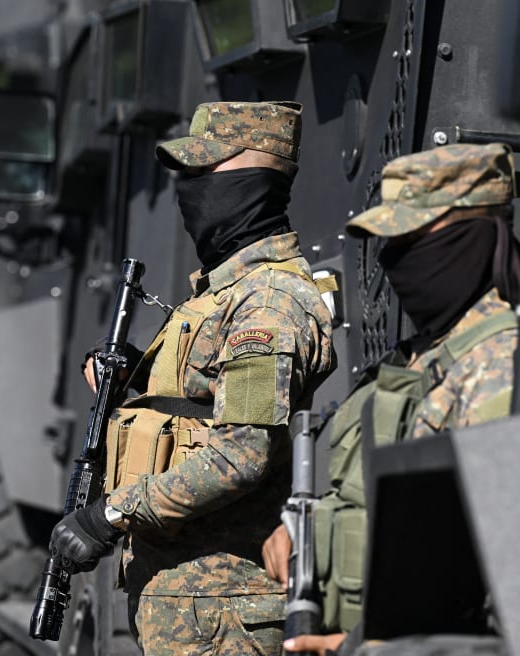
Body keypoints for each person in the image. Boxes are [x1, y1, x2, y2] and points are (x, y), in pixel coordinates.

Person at [50, 101, 337, 655]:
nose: (188, 188)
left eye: (204, 173)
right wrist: (141, 378)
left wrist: (111, 514)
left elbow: (242, 455)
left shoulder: (269, 304)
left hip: (223, 611)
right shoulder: (224, 291)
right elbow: (208, 402)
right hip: (187, 603)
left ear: (252, 183)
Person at [261, 143, 520, 655]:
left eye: (411, 236)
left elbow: (492, 565)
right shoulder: (414, 357)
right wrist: (302, 532)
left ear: (472, 232)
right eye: (391, 239)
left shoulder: (504, 363)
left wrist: (362, 643)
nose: (395, 256)